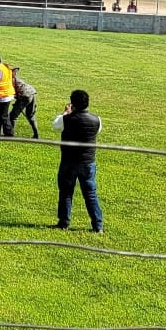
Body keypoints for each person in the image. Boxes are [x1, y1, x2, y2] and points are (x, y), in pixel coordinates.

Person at [53, 89, 102, 234]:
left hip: (69, 161)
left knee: (66, 193)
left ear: (72, 103)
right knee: (90, 194)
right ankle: (97, 225)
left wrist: (66, 113)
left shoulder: (66, 119)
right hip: (88, 162)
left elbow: (55, 125)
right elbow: (96, 131)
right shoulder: (97, 120)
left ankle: (64, 222)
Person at [11, 66, 39, 138]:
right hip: (32, 93)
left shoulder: (11, 80)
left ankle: (11, 135)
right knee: (30, 115)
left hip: (24, 96)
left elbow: (17, 93)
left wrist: (18, 100)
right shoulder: (17, 80)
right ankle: (36, 134)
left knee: (13, 116)